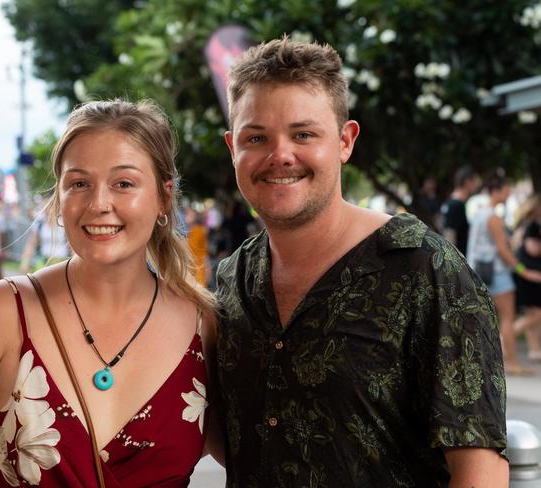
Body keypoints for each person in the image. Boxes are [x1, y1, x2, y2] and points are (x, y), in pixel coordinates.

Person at [215, 37, 509, 487]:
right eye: (257, 137)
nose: (280, 155)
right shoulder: (234, 279)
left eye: (303, 134)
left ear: (346, 141)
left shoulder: (423, 268)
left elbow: (480, 472)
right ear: (233, 146)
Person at [0, 99, 219, 487]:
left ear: (164, 197)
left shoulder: (203, 327)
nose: (98, 204)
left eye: (123, 184)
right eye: (79, 183)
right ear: (59, 199)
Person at [466, 171, 541, 376]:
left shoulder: (480, 214)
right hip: (497, 273)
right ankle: (512, 363)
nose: (509, 194)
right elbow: (503, 251)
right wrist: (523, 271)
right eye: (507, 190)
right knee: (507, 318)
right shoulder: (494, 218)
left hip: (478, 271)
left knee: (484, 318)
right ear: (496, 191)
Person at [512, 194, 541, 361]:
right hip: (529, 274)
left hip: (528, 273)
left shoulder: (528, 225)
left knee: (533, 312)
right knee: (536, 315)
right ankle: (504, 338)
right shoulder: (531, 226)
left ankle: (534, 350)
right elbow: (532, 250)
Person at [441, 165, 480, 256]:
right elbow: (449, 235)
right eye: (475, 181)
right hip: (458, 262)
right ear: (467, 182)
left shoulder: (453, 202)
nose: (477, 185)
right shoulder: (456, 205)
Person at [19, 208, 70, 273]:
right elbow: (31, 244)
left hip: (62, 262)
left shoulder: (65, 223)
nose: (50, 209)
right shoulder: (40, 224)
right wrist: (25, 262)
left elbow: (72, 246)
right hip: (44, 262)